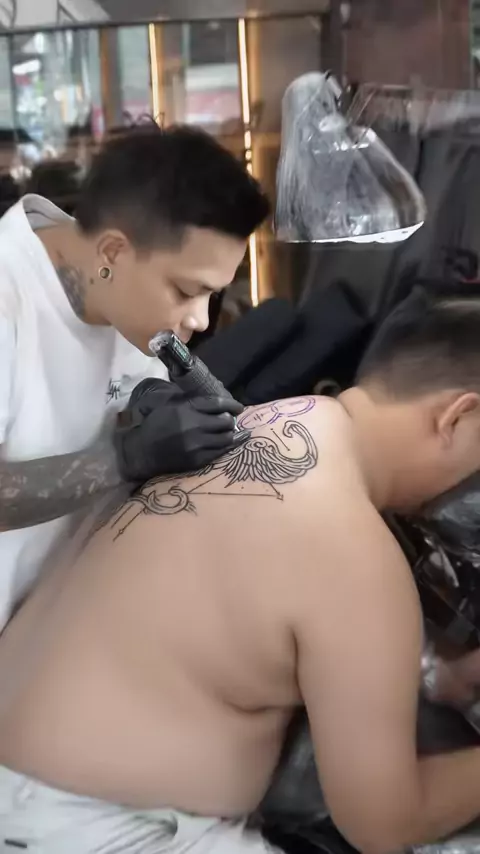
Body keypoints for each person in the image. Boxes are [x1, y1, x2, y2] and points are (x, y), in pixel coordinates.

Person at [3, 288, 480, 853]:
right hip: (91, 831)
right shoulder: (355, 552)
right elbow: (385, 823)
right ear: (458, 416)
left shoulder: (250, 422)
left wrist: (436, 671)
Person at [0, 123, 269, 629]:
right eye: (186, 291)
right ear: (112, 253)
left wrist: (152, 406)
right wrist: (127, 456)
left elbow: (126, 399)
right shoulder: (9, 296)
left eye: (212, 294)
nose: (200, 320)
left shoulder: (124, 299)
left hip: (62, 620)